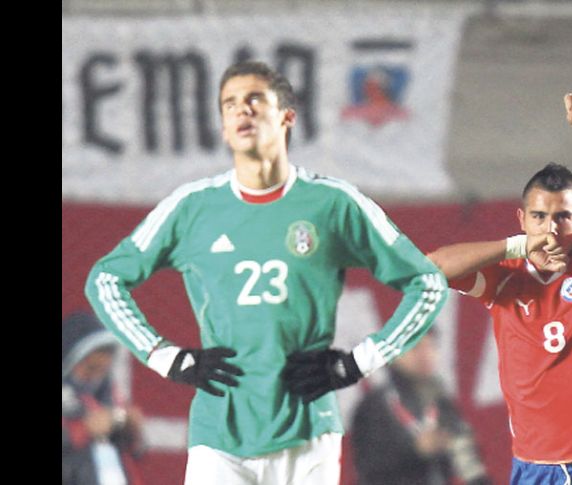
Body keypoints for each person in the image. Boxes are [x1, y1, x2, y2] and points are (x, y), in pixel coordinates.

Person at [84, 60, 447, 485]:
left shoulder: (333, 204)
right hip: (219, 432)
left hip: (308, 429)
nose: (243, 111)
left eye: (255, 100)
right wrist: (168, 359)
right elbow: (105, 279)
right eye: (230, 104)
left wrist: (358, 363)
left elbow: (427, 282)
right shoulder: (192, 207)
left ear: (287, 117)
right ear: (222, 126)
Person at [427, 93, 572, 484]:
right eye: (539, 216)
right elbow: (431, 269)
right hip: (534, 467)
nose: (550, 228)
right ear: (522, 220)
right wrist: (512, 246)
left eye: (564, 216)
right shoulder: (505, 279)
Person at [351, 329, 491, 485]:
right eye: (415, 347)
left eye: (431, 346)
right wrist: (414, 450)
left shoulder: (441, 402)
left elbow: (468, 463)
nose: (425, 354)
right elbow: (368, 466)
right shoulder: (374, 407)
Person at [62, 311, 146, 485]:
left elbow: (138, 449)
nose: (95, 376)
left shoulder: (106, 393)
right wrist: (84, 429)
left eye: (102, 369)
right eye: (90, 368)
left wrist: (129, 426)